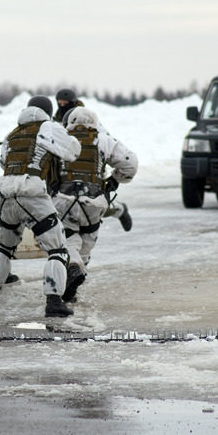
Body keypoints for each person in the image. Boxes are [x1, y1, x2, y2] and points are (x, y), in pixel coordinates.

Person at [0, 95, 81, 318]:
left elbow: (3, 161)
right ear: (48, 111)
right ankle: (54, 302)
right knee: (57, 249)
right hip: (32, 193)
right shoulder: (49, 127)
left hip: (5, 195)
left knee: (4, 248)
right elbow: (74, 151)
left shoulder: (12, 134)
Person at [54, 107, 138, 303]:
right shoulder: (103, 140)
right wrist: (115, 181)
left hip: (63, 200)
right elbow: (131, 164)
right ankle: (75, 278)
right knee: (87, 242)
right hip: (93, 201)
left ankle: (72, 267)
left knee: (68, 238)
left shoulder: (60, 139)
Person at [57, 89, 133, 232]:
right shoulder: (56, 121)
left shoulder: (88, 120)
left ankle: (119, 210)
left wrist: (113, 179)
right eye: (59, 103)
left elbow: (106, 142)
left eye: (65, 103)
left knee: (95, 207)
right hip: (67, 174)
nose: (62, 106)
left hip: (90, 171)